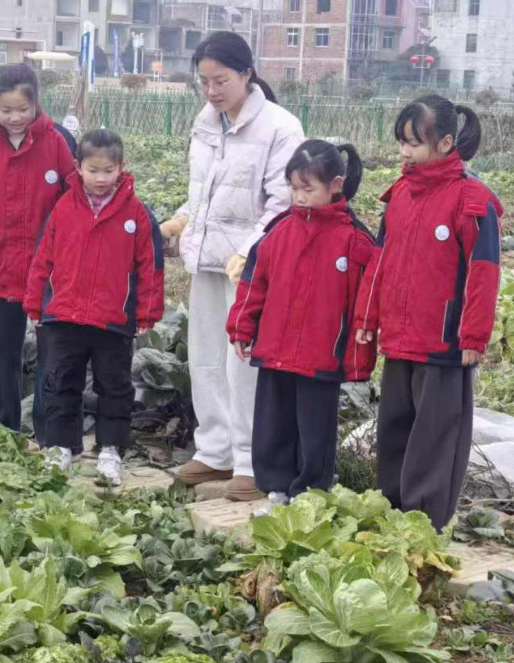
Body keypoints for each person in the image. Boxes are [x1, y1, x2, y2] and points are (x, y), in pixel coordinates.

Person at [159, 32, 304, 502]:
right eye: (203, 81)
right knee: (204, 355)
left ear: (246, 74)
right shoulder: (206, 123)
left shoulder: (280, 128)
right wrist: (183, 217)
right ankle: (215, 449)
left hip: (248, 267)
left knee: (242, 362)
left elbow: (284, 203)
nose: (212, 90)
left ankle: (249, 459)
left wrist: (252, 251)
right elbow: (203, 191)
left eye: (220, 80)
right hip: (206, 258)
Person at [354, 94, 503, 531]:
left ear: (444, 143)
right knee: (395, 427)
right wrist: (367, 319)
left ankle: (424, 523)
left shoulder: (471, 199)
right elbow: (380, 261)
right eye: (401, 141)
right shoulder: (400, 193)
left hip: (444, 342)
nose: (404, 151)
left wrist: (473, 337)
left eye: (413, 142)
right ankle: (392, 513)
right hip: (400, 336)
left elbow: (484, 271)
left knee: (435, 436)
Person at [227, 140, 377, 515]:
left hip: (321, 354)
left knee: (315, 431)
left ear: (336, 185)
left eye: (308, 189)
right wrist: (241, 328)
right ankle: (277, 489)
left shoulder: (356, 241)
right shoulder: (278, 233)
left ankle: (311, 491)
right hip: (276, 348)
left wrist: (360, 349)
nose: (299, 197)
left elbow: (367, 303)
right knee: (274, 424)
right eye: (294, 188)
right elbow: (253, 283)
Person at [24, 129, 165, 486]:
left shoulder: (136, 213)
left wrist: (147, 311)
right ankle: (61, 448)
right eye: (93, 170)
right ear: (78, 167)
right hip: (64, 316)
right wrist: (35, 301)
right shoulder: (64, 208)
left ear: (121, 167)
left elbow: (150, 266)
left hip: (112, 321)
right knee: (60, 383)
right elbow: (43, 257)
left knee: (114, 388)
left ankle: (110, 450)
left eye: (108, 171)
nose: (100, 179)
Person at [0, 64, 76, 438]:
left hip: (52, 274)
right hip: (2, 266)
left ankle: (51, 435)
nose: (14, 118)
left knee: (53, 357)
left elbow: (76, 205)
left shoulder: (58, 141)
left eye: (22, 110)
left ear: (36, 103)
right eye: (5, 111)